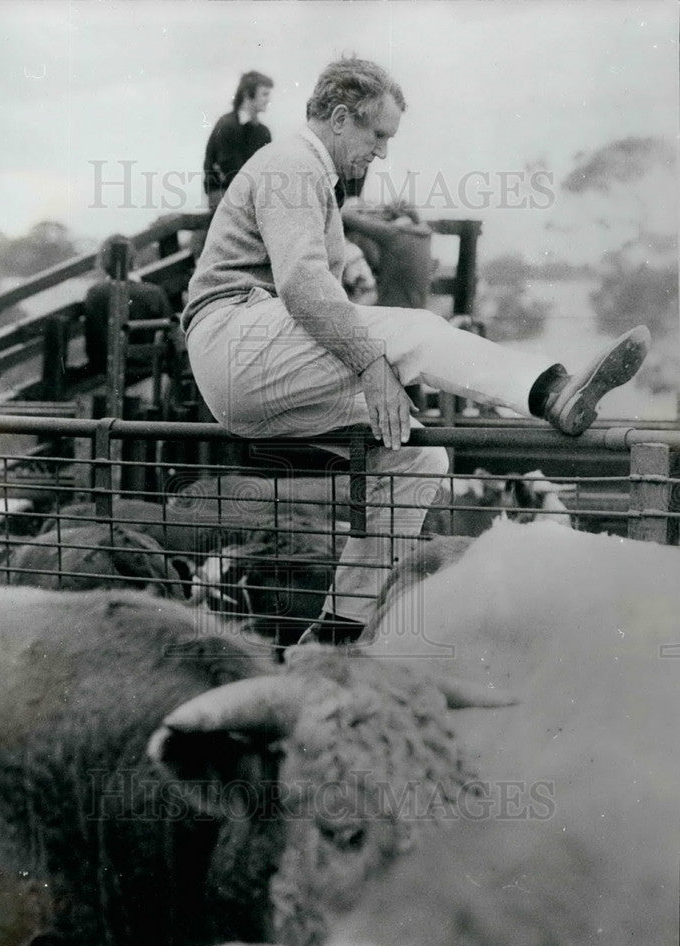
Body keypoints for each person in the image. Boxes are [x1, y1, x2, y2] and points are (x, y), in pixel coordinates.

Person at [181, 57, 650, 645]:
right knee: (417, 333)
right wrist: (371, 366)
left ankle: (336, 634)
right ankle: (553, 392)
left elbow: (314, 281)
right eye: (378, 136)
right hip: (235, 338)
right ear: (342, 118)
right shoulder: (291, 161)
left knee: (414, 456)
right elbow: (302, 285)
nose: (380, 152)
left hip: (251, 363)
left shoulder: (314, 179)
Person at [83, 235, 170, 377]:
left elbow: (93, 343)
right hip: (151, 371)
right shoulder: (155, 293)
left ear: (103, 262)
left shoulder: (95, 294)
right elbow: (169, 337)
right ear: (133, 259)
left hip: (107, 372)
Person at [203, 70, 274, 211]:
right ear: (248, 95)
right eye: (264, 94)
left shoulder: (263, 132)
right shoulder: (227, 125)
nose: (268, 100)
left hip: (250, 195)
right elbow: (231, 170)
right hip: (223, 193)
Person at [342, 200, 435, 309]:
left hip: (394, 308)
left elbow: (349, 218)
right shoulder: (423, 235)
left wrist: (350, 205)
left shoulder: (394, 234)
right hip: (418, 307)